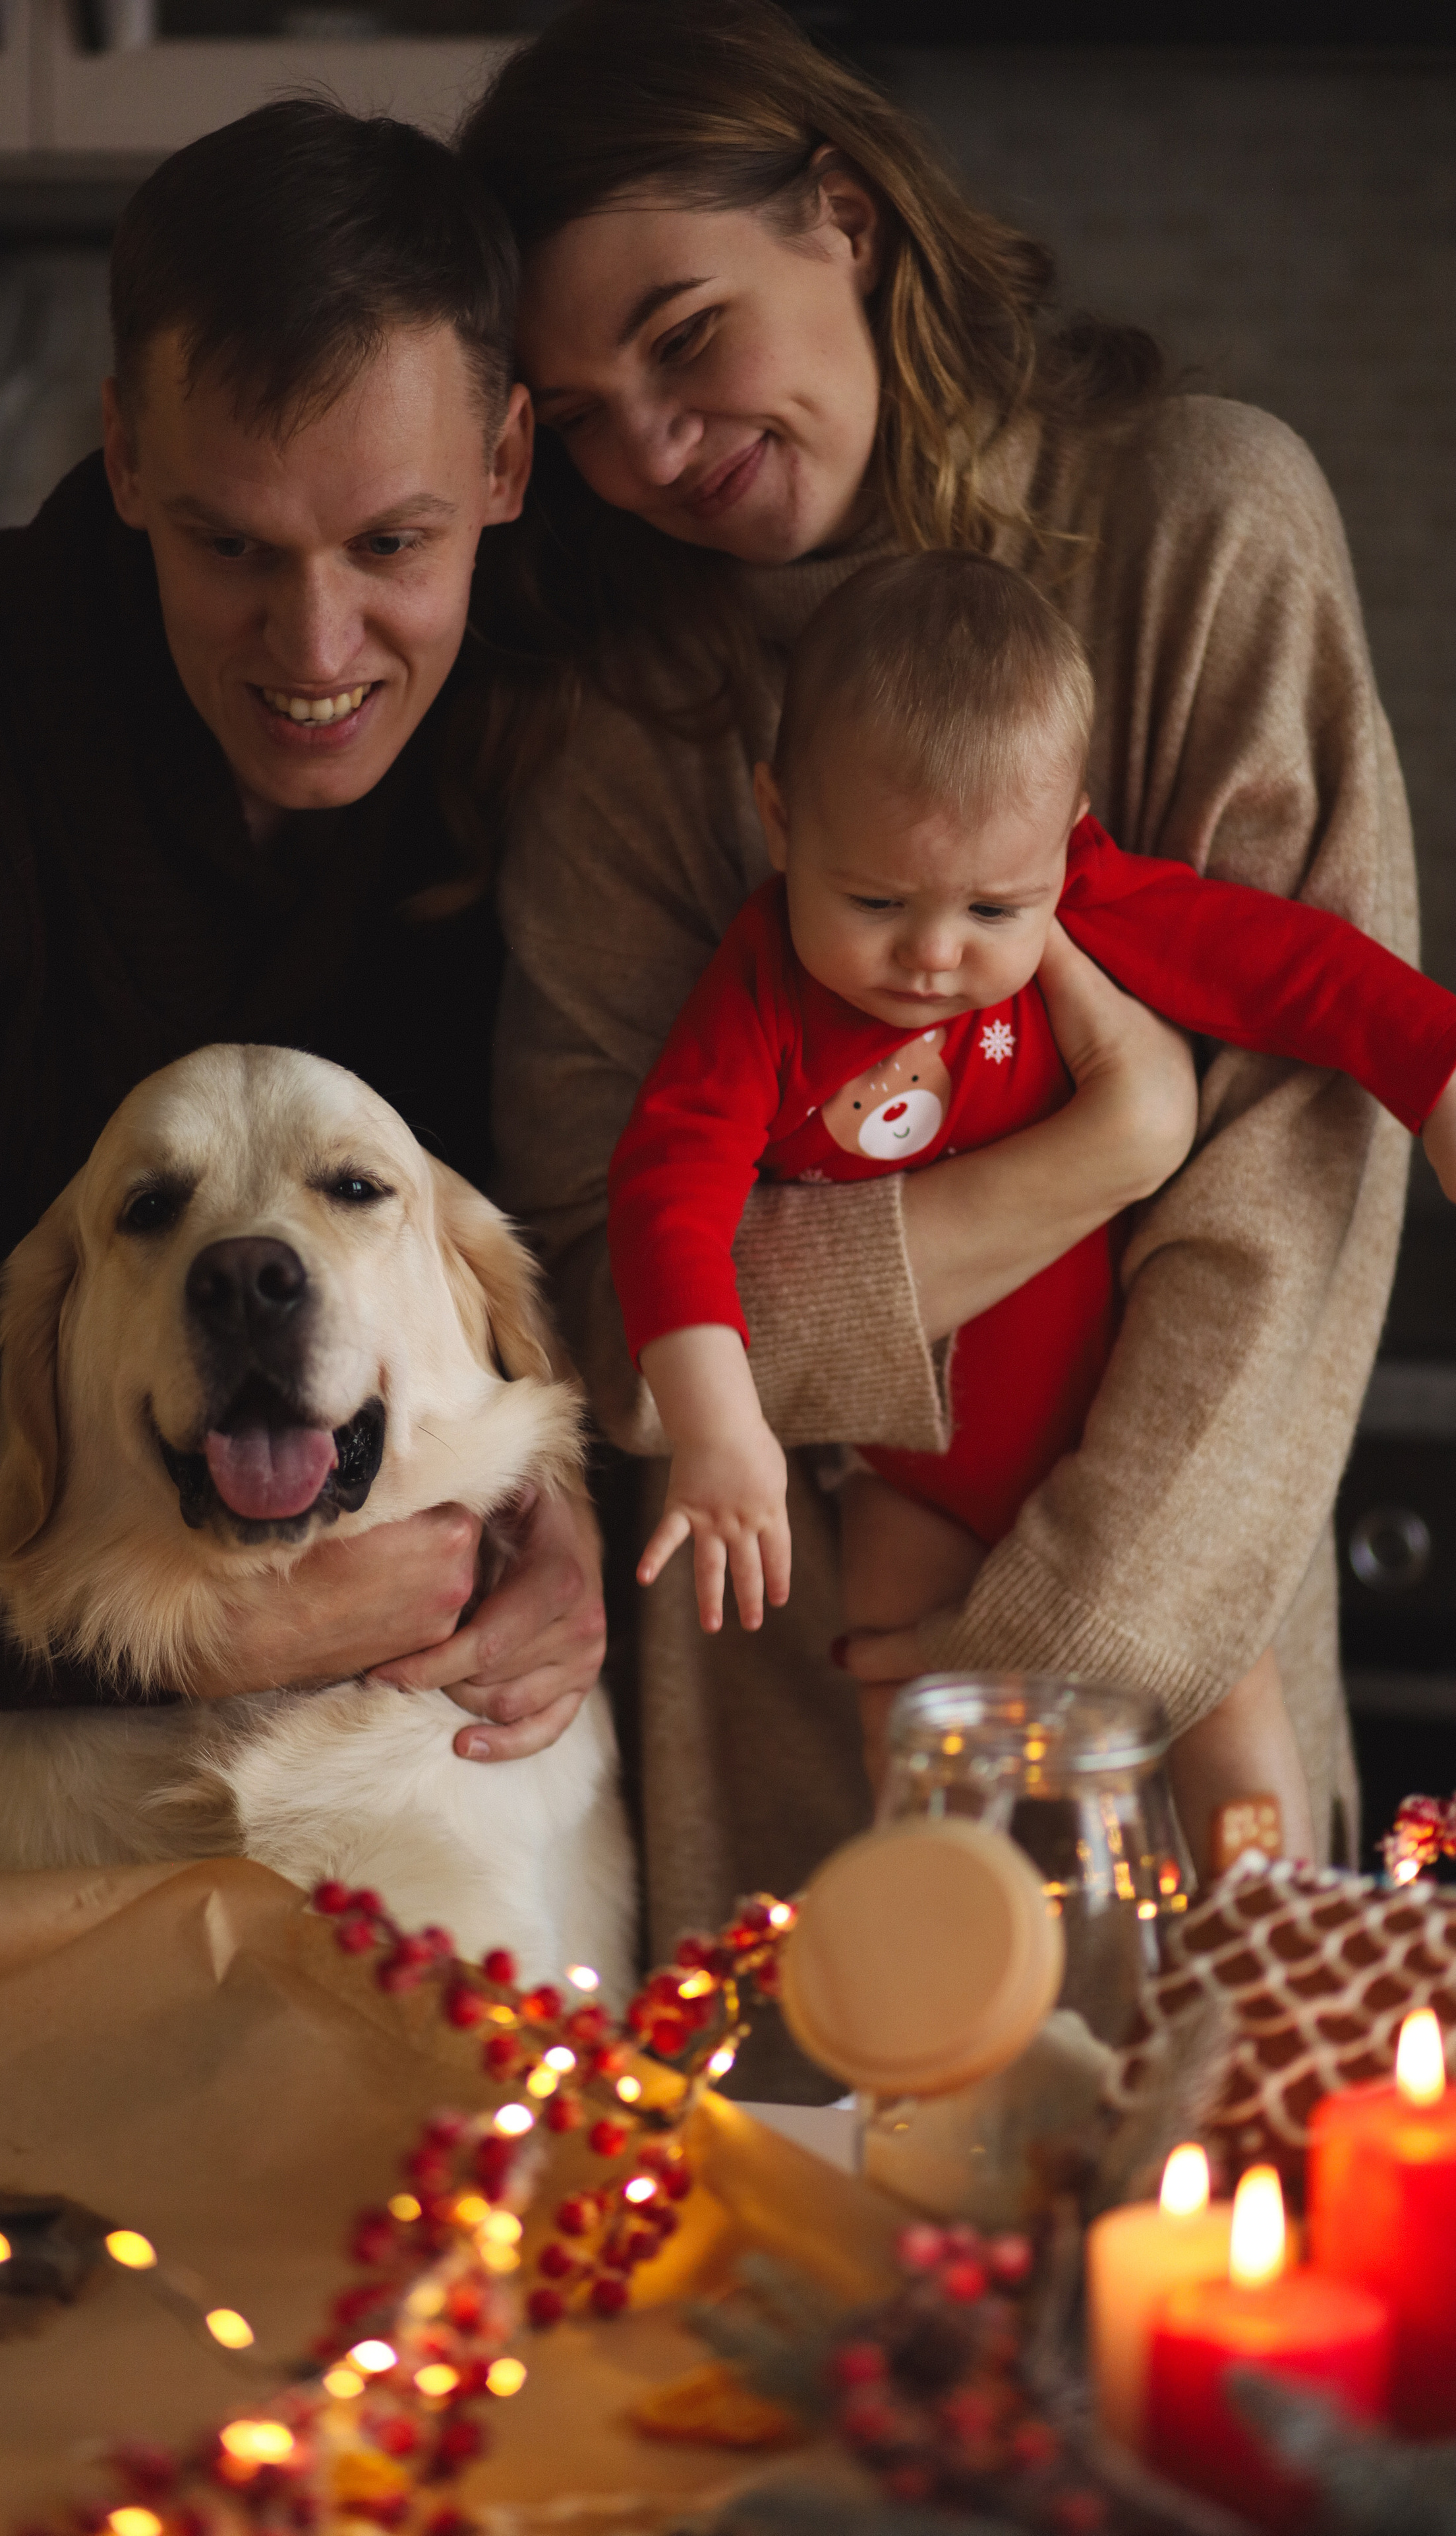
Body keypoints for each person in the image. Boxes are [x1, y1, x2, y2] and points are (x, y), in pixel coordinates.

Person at [459, 0, 1416, 1997]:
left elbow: (1296, 1198)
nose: (651, 449)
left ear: (846, 216)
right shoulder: (624, 721)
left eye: (686, 334)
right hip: (797, 1706)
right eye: (583, 411)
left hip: (1181, 1672)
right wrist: (1110, 1146)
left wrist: (1045, 1662)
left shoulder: (1203, 532)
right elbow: (602, 1324)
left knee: (1214, 2225)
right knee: (814, 2241)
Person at [0, 100, 604, 1843]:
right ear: (127, 458)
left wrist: (562, 1510)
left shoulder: (566, 744)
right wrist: (188, 1642)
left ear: (511, 465)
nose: (316, 653)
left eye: (394, 544)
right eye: (232, 544)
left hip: (424, 1699)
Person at [607, 550, 1456, 1821]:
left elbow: (1295, 972)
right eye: (876, 899)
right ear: (782, 822)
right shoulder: (761, 993)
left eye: (996, 907)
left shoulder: (1092, 901)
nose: (935, 955)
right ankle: (956, 2002)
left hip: (1126, 1441)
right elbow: (668, 1194)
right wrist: (720, 1426)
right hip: (916, 1469)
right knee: (914, 1760)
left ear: (1066, 845)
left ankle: (1276, 1983)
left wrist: (1438, 1076)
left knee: (1234, 1739)